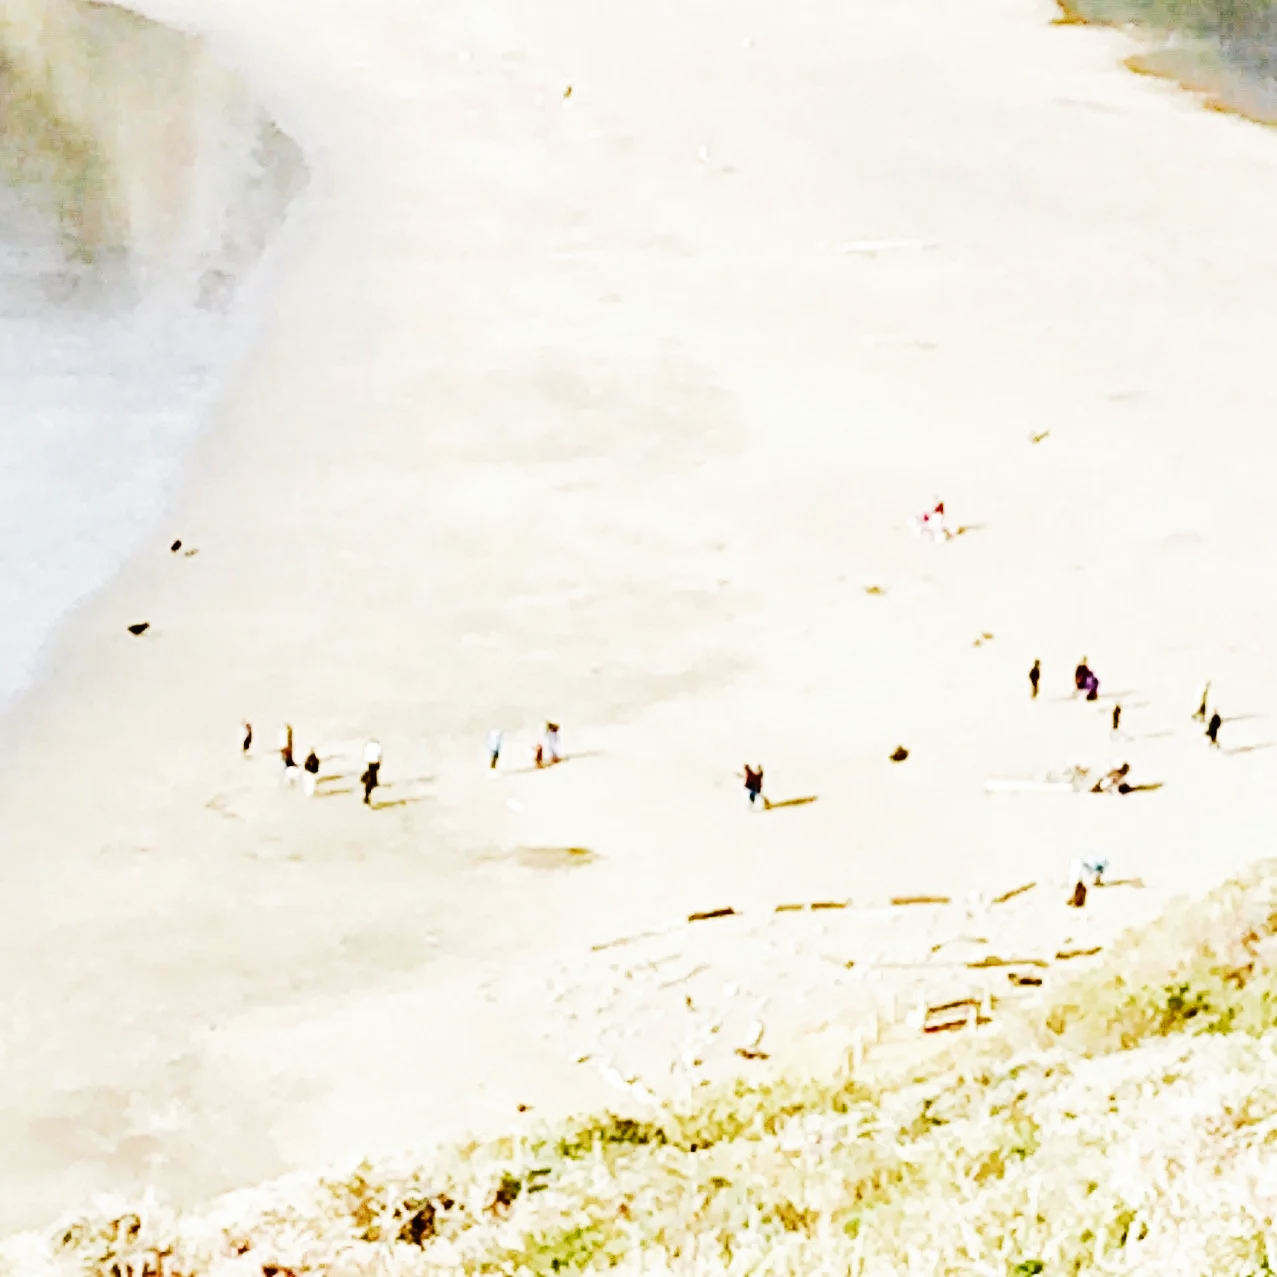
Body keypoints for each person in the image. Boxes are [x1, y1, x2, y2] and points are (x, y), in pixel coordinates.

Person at [361, 738, 382, 805]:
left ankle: (365, 777)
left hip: (373, 762)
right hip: (373, 762)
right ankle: (366, 797)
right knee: (372, 780)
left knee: (373, 774)